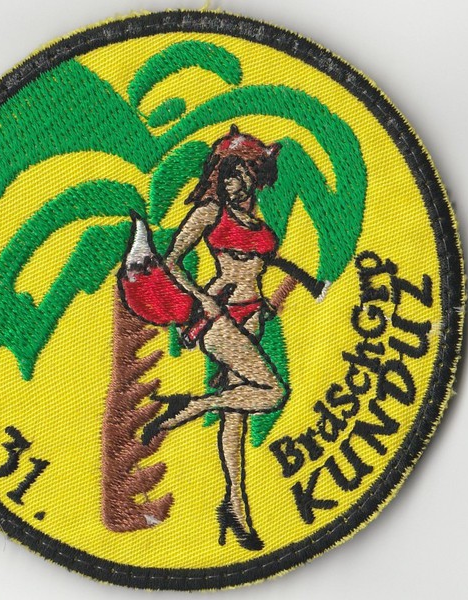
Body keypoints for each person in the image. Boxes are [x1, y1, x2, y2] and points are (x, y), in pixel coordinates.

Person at [118, 125, 327, 551]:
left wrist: (282, 293)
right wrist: (203, 302)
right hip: (219, 314)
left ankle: (235, 506)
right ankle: (189, 407)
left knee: (237, 416)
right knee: (272, 392)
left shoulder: (256, 220)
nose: (232, 183)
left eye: (240, 173)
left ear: (255, 173)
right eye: (226, 174)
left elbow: (261, 264)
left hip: (251, 315)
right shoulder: (211, 212)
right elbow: (171, 260)